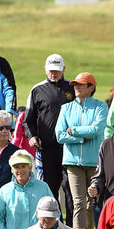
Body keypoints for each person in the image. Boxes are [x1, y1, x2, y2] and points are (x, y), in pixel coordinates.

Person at [55, 72, 108, 229]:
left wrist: (74, 130)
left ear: (91, 87)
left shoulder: (100, 106)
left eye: (81, 84)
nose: (76, 87)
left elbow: (96, 129)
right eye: (75, 84)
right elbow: (59, 135)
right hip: (72, 162)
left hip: (95, 162)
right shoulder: (66, 108)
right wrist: (80, 138)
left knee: (90, 201)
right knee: (78, 201)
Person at [24, 53, 73, 202]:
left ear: (64, 69)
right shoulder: (37, 90)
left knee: (70, 189)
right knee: (49, 190)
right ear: (45, 69)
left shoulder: (73, 87)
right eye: (51, 70)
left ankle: (71, 225)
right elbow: (28, 120)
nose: (54, 73)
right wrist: (32, 136)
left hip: (71, 148)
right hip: (47, 149)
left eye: (57, 70)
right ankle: (54, 224)